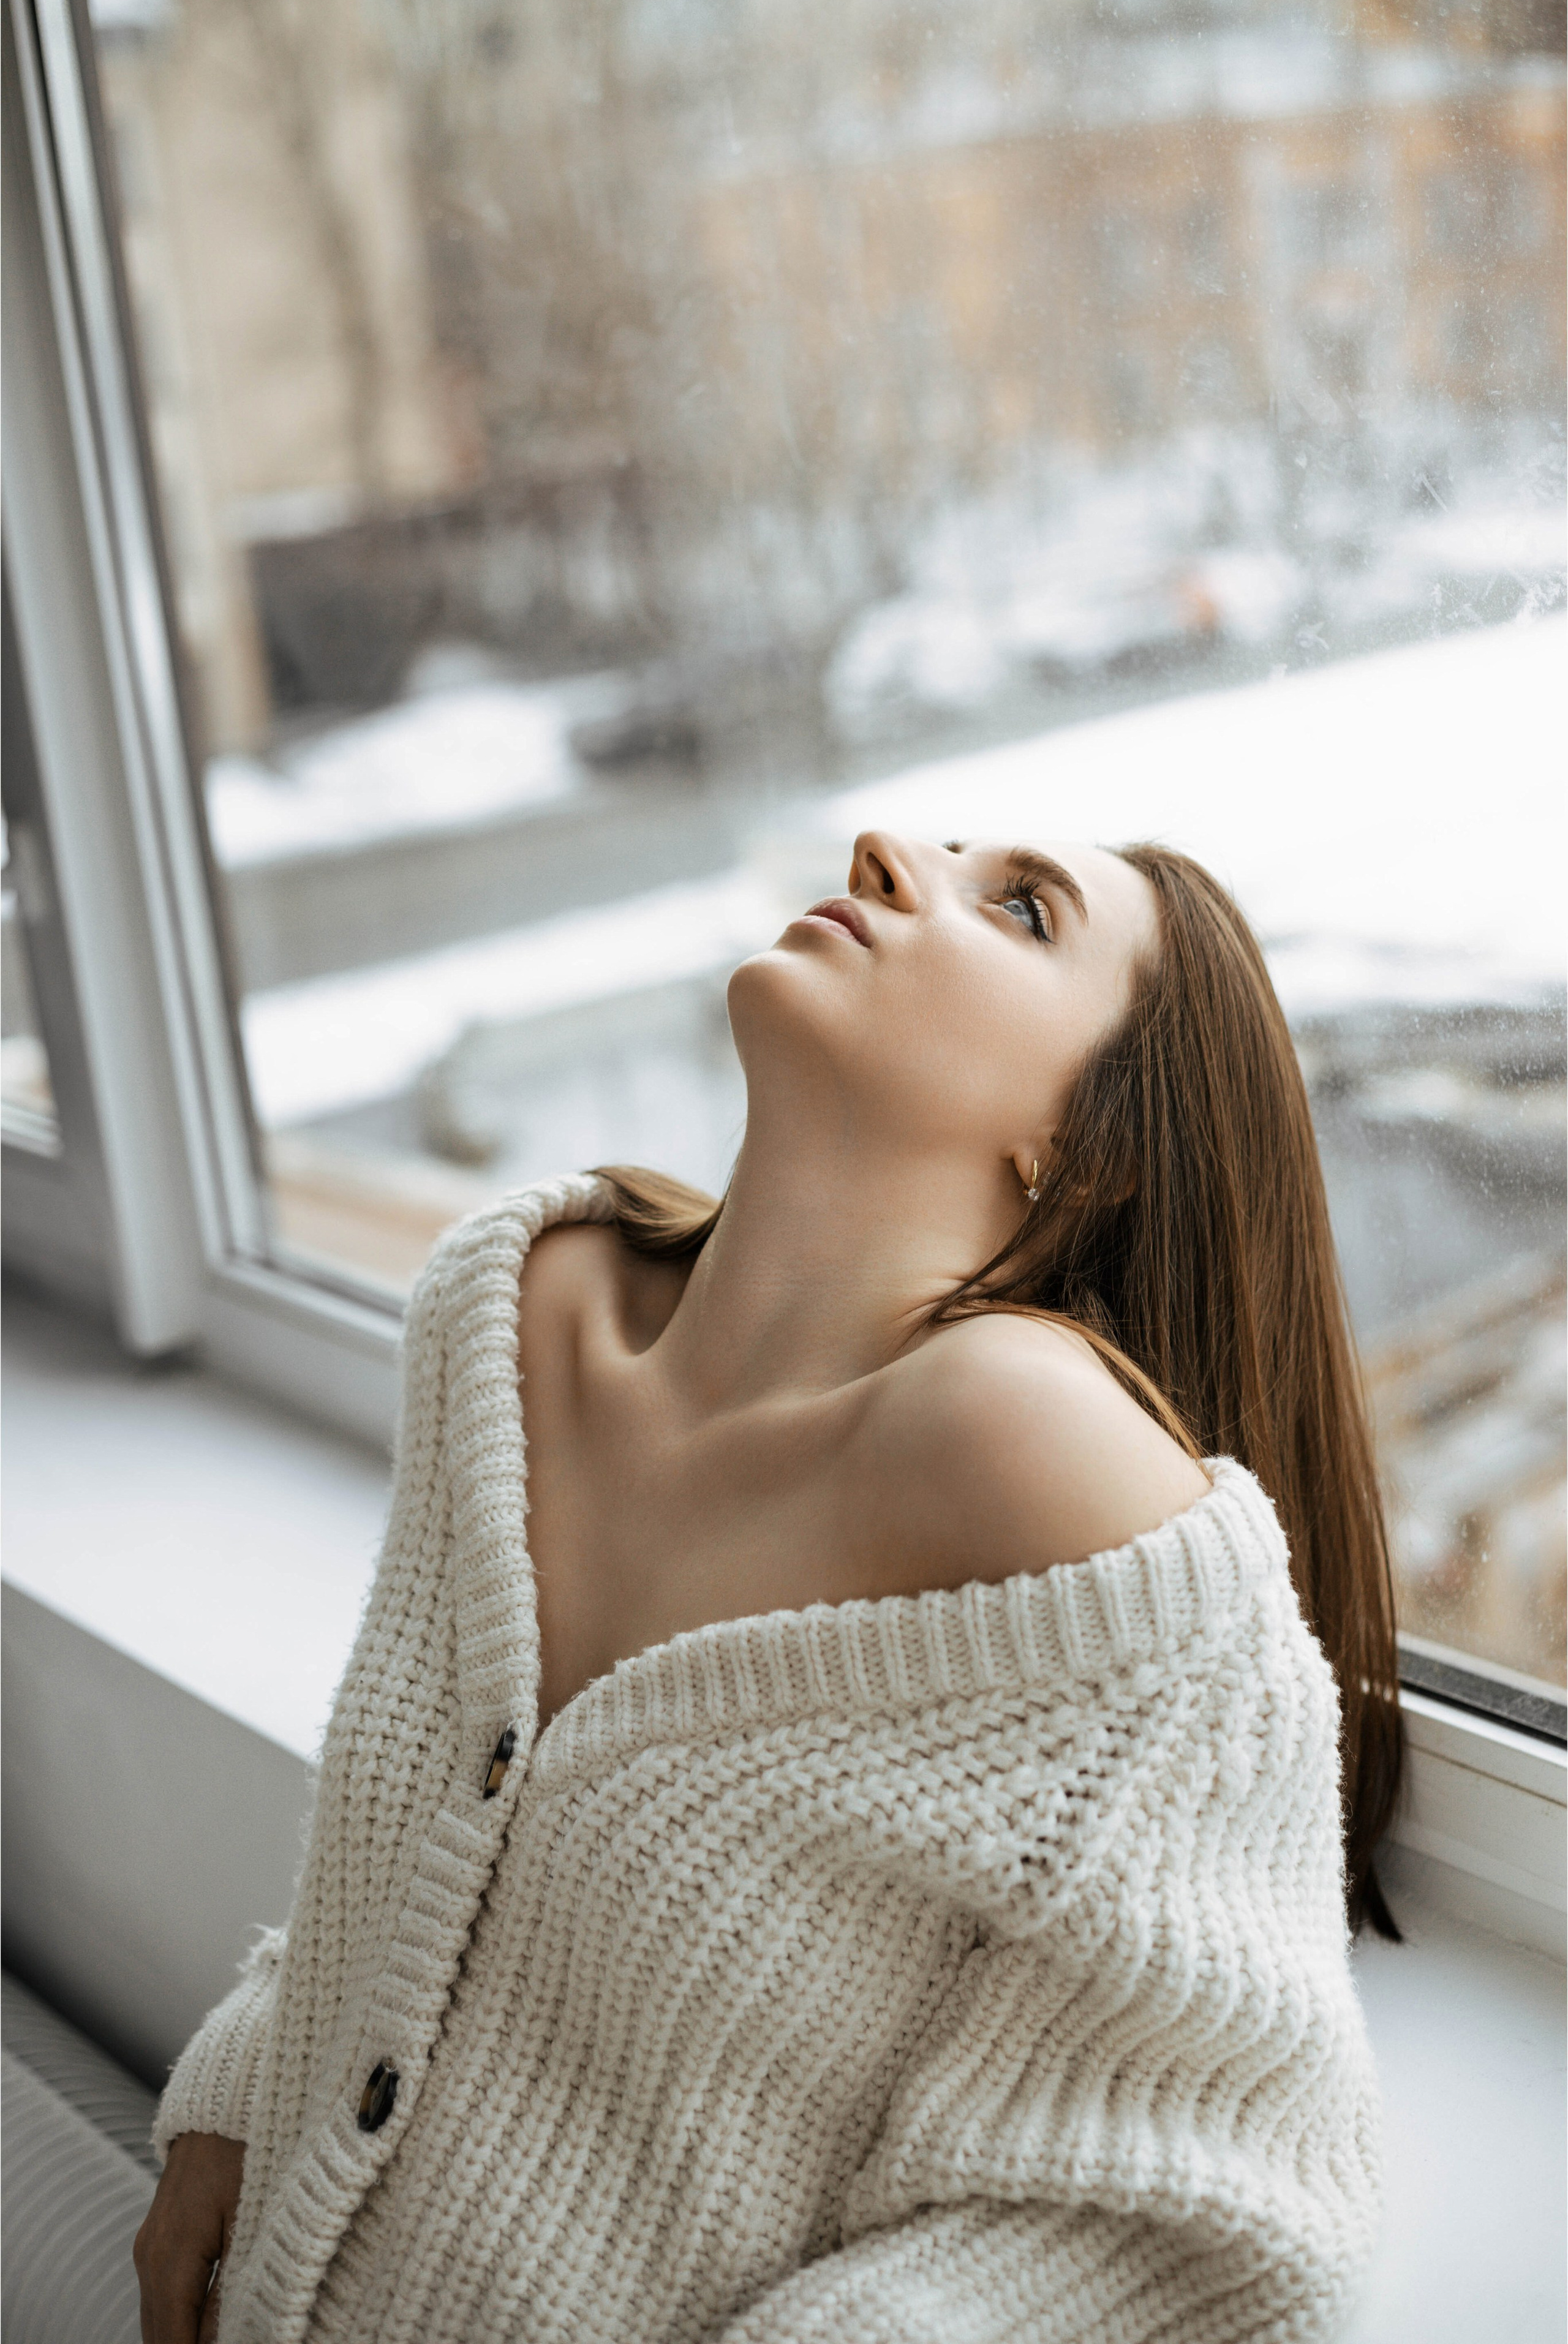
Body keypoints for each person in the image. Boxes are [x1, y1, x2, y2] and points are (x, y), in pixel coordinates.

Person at [135, 831, 1398, 2344]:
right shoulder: (513, 1303)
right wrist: (236, 2094)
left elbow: (1207, 2224)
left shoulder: (1040, 1460)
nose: (881, 849)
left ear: (1083, 1148)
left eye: (1018, 909)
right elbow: (430, 1869)